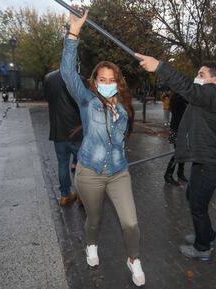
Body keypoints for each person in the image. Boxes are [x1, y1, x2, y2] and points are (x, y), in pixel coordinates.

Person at [60, 10, 145, 286]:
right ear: (95, 82)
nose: (107, 84)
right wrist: (73, 34)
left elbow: (120, 140)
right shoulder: (87, 101)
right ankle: (91, 244)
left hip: (119, 172)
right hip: (90, 173)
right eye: (102, 79)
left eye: (111, 80)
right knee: (94, 219)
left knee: (131, 222)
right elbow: (66, 73)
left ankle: (133, 259)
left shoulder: (124, 107)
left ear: (116, 83)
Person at [137, 53, 216, 261]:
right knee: (192, 196)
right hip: (203, 158)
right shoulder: (211, 97)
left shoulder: (213, 93)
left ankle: (202, 247)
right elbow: (189, 97)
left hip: (212, 162)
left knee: (197, 204)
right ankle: (206, 235)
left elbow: (188, 88)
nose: (197, 78)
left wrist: (160, 67)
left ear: (215, 79)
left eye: (201, 74)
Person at [44, 69, 83, 207]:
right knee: (84, 166)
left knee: (62, 163)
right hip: (76, 131)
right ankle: (83, 197)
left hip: (58, 129)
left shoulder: (48, 78)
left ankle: (65, 196)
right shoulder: (77, 78)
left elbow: (48, 99)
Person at [164, 92, 188, 185]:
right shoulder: (178, 98)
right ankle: (168, 175)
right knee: (178, 153)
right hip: (177, 129)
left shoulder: (178, 97)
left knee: (183, 152)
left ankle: (180, 173)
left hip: (180, 129)